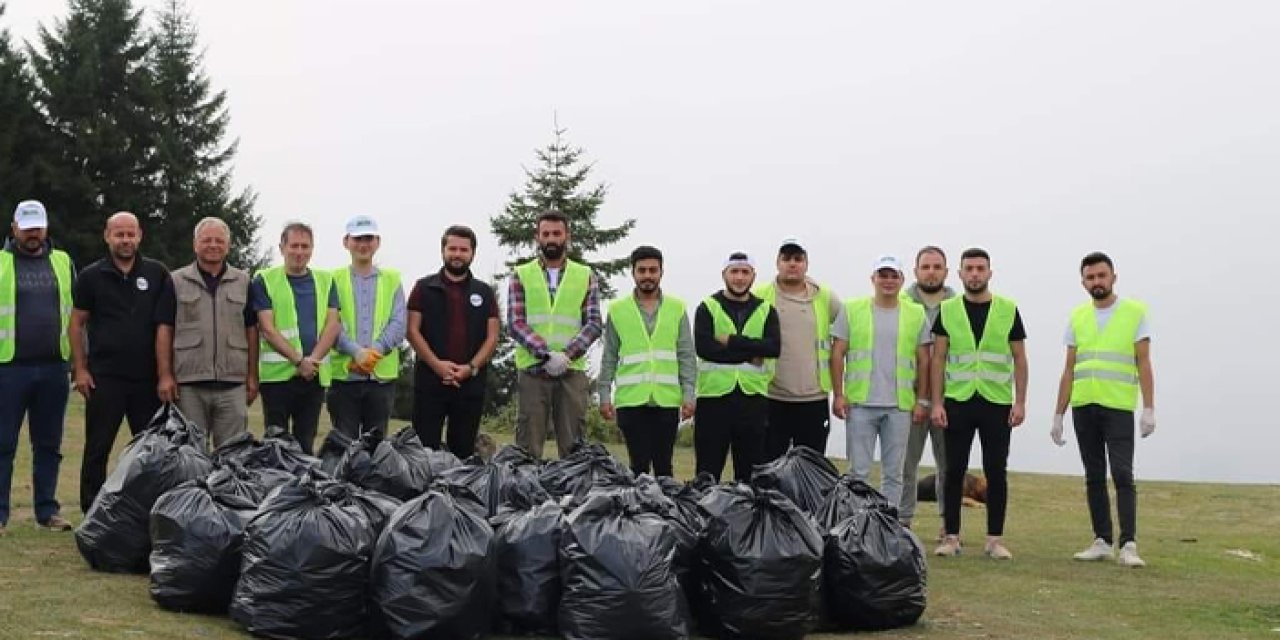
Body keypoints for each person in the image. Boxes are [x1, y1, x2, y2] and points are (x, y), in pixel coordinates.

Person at [1051, 252, 1155, 568]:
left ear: (1113, 277)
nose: (1097, 282)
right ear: (1083, 281)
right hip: (1084, 406)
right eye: (1090, 277)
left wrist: (1149, 407)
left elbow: (1143, 362)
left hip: (1118, 406)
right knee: (1093, 475)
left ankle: (1129, 544)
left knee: (1122, 474)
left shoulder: (1135, 313)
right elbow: (1069, 368)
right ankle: (1102, 540)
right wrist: (1058, 413)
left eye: (1102, 276)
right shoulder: (1078, 317)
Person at [71, 212, 176, 515]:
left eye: (131, 234)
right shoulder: (91, 276)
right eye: (119, 234)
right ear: (107, 236)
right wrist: (80, 369)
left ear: (140, 235)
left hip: (146, 380)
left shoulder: (157, 273)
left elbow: (164, 327)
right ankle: (91, 511)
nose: (125, 240)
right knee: (97, 449)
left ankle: (148, 512)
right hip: (105, 378)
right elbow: (76, 324)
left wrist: (165, 373)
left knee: (149, 451)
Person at [929, 247, 1027, 560]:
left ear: (989, 273)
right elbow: (938, 359)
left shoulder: (1008, 310)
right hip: (957, 401)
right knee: (953, 470)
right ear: (960, 274)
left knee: (996, 471)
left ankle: (994, 540)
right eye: (969, 269)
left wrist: (1020, 402)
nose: (974, 274)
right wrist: (936, 403)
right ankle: (952, 537)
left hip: (996, 402)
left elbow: (1020, 359)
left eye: (980, 268)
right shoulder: (947, 310)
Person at [831, 255, 931, 516]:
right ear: (873, 279)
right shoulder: (851, 309)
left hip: (899, 407)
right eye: (882, 275)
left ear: (902, 280)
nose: (888, 281)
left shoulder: (916, 313)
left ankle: (888, 527)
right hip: (861, 404)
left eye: (893, 276)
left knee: (894, 473)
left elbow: (924, 360)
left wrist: (922, 400)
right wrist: (839, 395)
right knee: (858, 472)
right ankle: (854, 525)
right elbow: (837, 353)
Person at [0, 201, 75, 532]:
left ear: (46, 228)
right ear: (14, 227)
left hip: (54, 368)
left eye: (38, 227)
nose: (33, 233)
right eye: (27, 227)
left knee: (49, 444)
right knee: (3, 443)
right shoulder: (0, 263)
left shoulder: (63, 262)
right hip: (8, 368)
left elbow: (78, 315)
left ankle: (47, 511)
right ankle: (0, 514)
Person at [508, 210, 603, 459]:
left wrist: (566, 355)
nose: (551, 238)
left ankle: (573, 497)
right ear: (537, 237)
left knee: (574, 448)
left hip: (571, 372)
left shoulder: (585, 275)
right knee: (526, 447)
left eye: (557, 233)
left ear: (567, 236)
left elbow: (593, 322)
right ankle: (524, 497)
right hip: (532, 371)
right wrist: (545, 354)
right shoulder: (521, 274)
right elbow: (516, 322)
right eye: (546, 233)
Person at [157, 217, 258, 449]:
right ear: (195, 244)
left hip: (232, 384)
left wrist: (252, 376)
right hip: (188, 386)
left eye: (219, 241)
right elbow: (164, 329)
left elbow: (251, 330)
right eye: (207, 240)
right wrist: (165, 375)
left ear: (228, 245)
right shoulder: (175, 281)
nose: (213, 245)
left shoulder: (243, 281)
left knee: (232, 456)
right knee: (190, 455)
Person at [598, 246, 697, 477]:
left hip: (666, 400)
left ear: (662, 272)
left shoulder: (677, 308)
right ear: (633, 273)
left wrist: (689, 394)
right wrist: (604, 395)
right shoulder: (618, 310)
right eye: (642, 270)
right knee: (638, 465)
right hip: (631, 400)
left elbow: (686, 354)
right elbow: (609, 356)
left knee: (664, 466)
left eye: (653, 270)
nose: (647, 275)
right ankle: (639, 512)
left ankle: (666, 511)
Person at [406, 225, 500, 458]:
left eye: (463, 249)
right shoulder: (423, 287)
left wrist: (470, 368)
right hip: (430, 381)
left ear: (472, 254)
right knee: (424, 451)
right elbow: (412, 330)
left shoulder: (485, 292)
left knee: (464, 451)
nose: (457, 254)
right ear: (443, 251)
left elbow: (492, 337)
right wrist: (437, 365)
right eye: (452, 248)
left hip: (469, 384)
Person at [250, 222, 340, 455]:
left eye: (305, 246)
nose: (299, 252)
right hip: (277, 379)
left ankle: (303, 491)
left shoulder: (326, 280)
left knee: (305, 445)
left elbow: (332, 325)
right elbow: (267, 329)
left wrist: (312, 362)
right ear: (282, 247)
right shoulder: (264, 280)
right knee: (276, 446)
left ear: (312, 249)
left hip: (313, 378)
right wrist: (299, 361)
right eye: (294, 246)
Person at [694, 251, 781, 482]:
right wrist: (750, 353)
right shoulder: (707, 307)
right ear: (724, 274)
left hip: (753, 399)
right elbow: (704, 348)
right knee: (707, 471)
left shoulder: (766, 310)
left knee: (751, 474)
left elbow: (773, 348)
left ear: (753, 276)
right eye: (734, 272)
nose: (739, 278)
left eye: (745, 272)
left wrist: (732, 341)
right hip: (714, 398)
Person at [754, 237, 840, 458]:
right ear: (777, 263)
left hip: (813, 398)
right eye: (786, 258)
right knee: (768, 466)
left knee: (810, 469)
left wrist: (840, 394)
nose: (792, 264)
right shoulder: (759, 295)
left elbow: (843, 336)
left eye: (798, 259)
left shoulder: (825, 297)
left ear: (806, 264)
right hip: (772, 396)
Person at [327, 215, 406, 439]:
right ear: (346, 242)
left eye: (368, 238)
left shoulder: (392, 279)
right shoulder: (333, 279)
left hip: (380, 379)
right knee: (344, 443)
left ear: (377, 242)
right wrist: (356, 352)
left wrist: (374, 353)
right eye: (357, 239)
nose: (363, 244)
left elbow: (398, 323)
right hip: (344, 377)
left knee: (377, 444)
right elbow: (330, 324)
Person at [899, 246, 957, 538]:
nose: (931, 272)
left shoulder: (959, 306)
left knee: (949, 465)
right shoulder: (900, 303)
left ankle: (949, 526)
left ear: (946, 272)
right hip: (909, 398)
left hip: (950, 398)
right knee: (905, 464)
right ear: (916, 270)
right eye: (926, 266)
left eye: (937, 267)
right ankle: (903, 522)